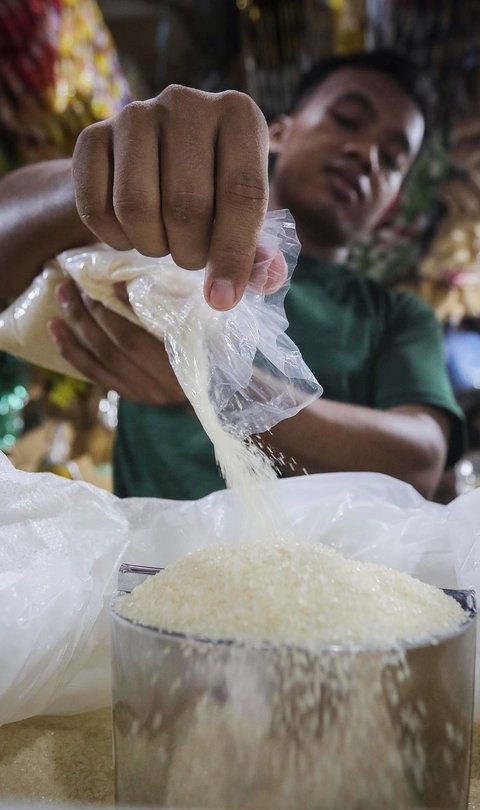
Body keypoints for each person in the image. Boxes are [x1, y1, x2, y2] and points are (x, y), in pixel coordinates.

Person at [0, 50, 463, 500]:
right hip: (150, 569)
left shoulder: (397, 316)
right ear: (278, 133)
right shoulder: (169, 242)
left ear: (392, 203)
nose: (367, 155)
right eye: (346, 119)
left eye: (393, 158)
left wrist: (214, 380)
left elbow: (419, 459)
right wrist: (108, 175)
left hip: (323, 574)